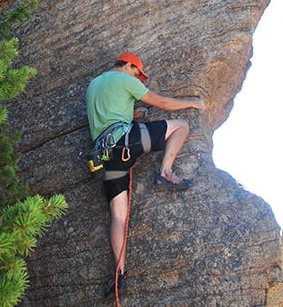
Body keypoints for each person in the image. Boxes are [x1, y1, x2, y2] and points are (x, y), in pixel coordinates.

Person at [85, 52, 206, 297]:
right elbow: (163, 103)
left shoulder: (94, 85)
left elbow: (109, 115)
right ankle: (166, 172)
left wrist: (133, 115)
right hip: (126, 141)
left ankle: (119, 274)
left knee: (118, 217)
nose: (138, 80)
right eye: (137, 73)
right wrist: (193, 102)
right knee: (182, 126)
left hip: (103, 157)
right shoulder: (125, 80)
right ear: (128, 65)